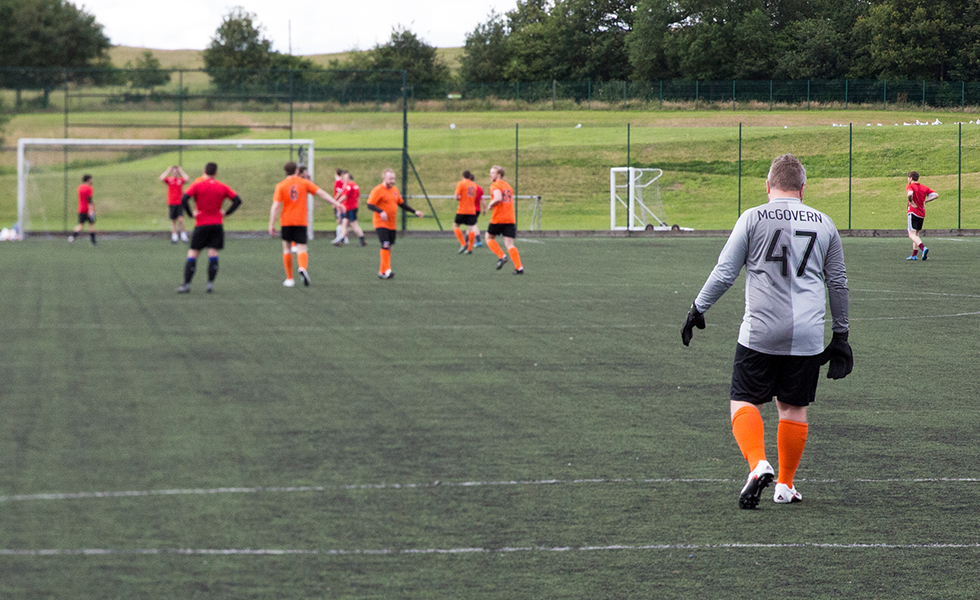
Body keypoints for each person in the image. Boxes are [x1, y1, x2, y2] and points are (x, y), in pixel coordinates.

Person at [680, 153, 852, 510]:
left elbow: (725, 272)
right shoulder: (825, 223)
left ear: (768, 186)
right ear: (803, 188)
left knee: (744, 399)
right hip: (807, 335)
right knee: (793, 407)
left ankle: (758, 463)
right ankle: (785, 484)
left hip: (760, 330)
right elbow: (837, 282)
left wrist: (698, 308)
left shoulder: (752, 217)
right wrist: (841, 336)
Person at [269, 161, 344, 287]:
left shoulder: (281, 185)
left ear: (286, 172)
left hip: (286, 221)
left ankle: (290, 279)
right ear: (296, 171)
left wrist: (271, 223)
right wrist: (336, 203)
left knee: (286, 248)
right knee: (302, 248)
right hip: (301, 221)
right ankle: (302, 268)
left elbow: (276, 206)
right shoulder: (304, 183)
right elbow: (321, 193)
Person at [176, 162, 242, 294]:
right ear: (216, 173)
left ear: (204, 171)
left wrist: (190, 214)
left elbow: (184, 199)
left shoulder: (197, 185)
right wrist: (226, 213)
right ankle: (210, 284)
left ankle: (186, 284)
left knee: (193, 253)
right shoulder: (222, 186)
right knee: (213, 252)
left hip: (201, 224)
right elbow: (237, 201)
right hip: (217, 224)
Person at [367, 168, 423, 279]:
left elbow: (401, 204)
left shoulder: (395, 190)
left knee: (389, 247)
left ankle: (382, 271)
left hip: (392, 224)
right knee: (385, 244)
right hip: (380, 223)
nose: (393, 181)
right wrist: (381, 211)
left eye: (394, 179)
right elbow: (370, 204)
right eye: (390, 179)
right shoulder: (378, 190)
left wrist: (414, 211)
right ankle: (388, 270)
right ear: (384, 178)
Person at [485, 165, 524, 274]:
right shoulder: (508, 186)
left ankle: (502, 256)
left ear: (498, 175)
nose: (490, 175)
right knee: (509, 244)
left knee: (488, 237)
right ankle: (519, 267)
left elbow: (498, 198)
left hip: (498, 217)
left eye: (492, 173)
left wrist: (490, 204)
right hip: (510, 218)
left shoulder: (495, 185)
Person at [905, 171, 938, 261]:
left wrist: (911, 201)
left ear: (910, 178)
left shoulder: (910, 186)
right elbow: (936, 195)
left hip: (913, 212)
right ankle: (914, 255)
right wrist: (925, 201)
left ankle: (923, 248)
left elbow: (910, 193)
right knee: (916, 234)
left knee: (911, 235)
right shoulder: (924, 187)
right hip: (921, 214)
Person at [334, 171, 366, 247]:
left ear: (349, 178)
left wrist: (336, 202)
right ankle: (341, 239)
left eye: (345, 178)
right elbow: (358, 197)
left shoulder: (349, 186)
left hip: (350, 208)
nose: (344, 179)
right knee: (344, 223)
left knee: (353, 224)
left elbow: (344, 196)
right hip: (352, 207)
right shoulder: (356, 186)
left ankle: (362, 239)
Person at [452, 170, 480, 254]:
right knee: (471, 229)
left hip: (462, 209)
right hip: (472, 210)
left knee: (456, 225)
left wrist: (461, 199)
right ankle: (470, 248)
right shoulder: (474, 185)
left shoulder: (461, 183)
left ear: (463, 176)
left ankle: (463, 243)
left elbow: (456, 196)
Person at [160, 165, 190, 243]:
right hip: (171, 202)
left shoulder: (180, 180)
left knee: (181, 219)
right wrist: (168, 170)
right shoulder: (169, 180)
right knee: (173, 220)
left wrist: (181, 171)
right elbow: (161, 178)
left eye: (176, 172)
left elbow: (187, 178)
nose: (175, 173)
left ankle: (183, 235)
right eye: (174, 171)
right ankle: (174, 236)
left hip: (179, 202)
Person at [68, 174, 97, 245]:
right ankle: (93, 242)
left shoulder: (79, 187)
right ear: (88, 180)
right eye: (91, 179)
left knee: (80, 225)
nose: (92, 181)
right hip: (88, 209)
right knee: (91, 225)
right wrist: (92, 209)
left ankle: (72, 237)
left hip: (81, 209)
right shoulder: (89, 188)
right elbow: (89, 200)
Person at [332, 168, 349, 245]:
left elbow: (339, 192)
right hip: (341, 203)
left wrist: (334, 200)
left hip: (339, 203)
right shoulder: (342, 181)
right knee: (342, 220)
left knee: (340, 220)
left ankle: (341, 237)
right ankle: (343, 237)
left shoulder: (339, 181)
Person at [473, 180, 485, 247]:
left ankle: (478, 241)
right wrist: (484, 209)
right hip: (478, 209)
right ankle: (467, 240)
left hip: (471, 210)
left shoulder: (469, 188)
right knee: (471, 225)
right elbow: (483, 201)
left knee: (473, 225)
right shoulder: (479, 188)